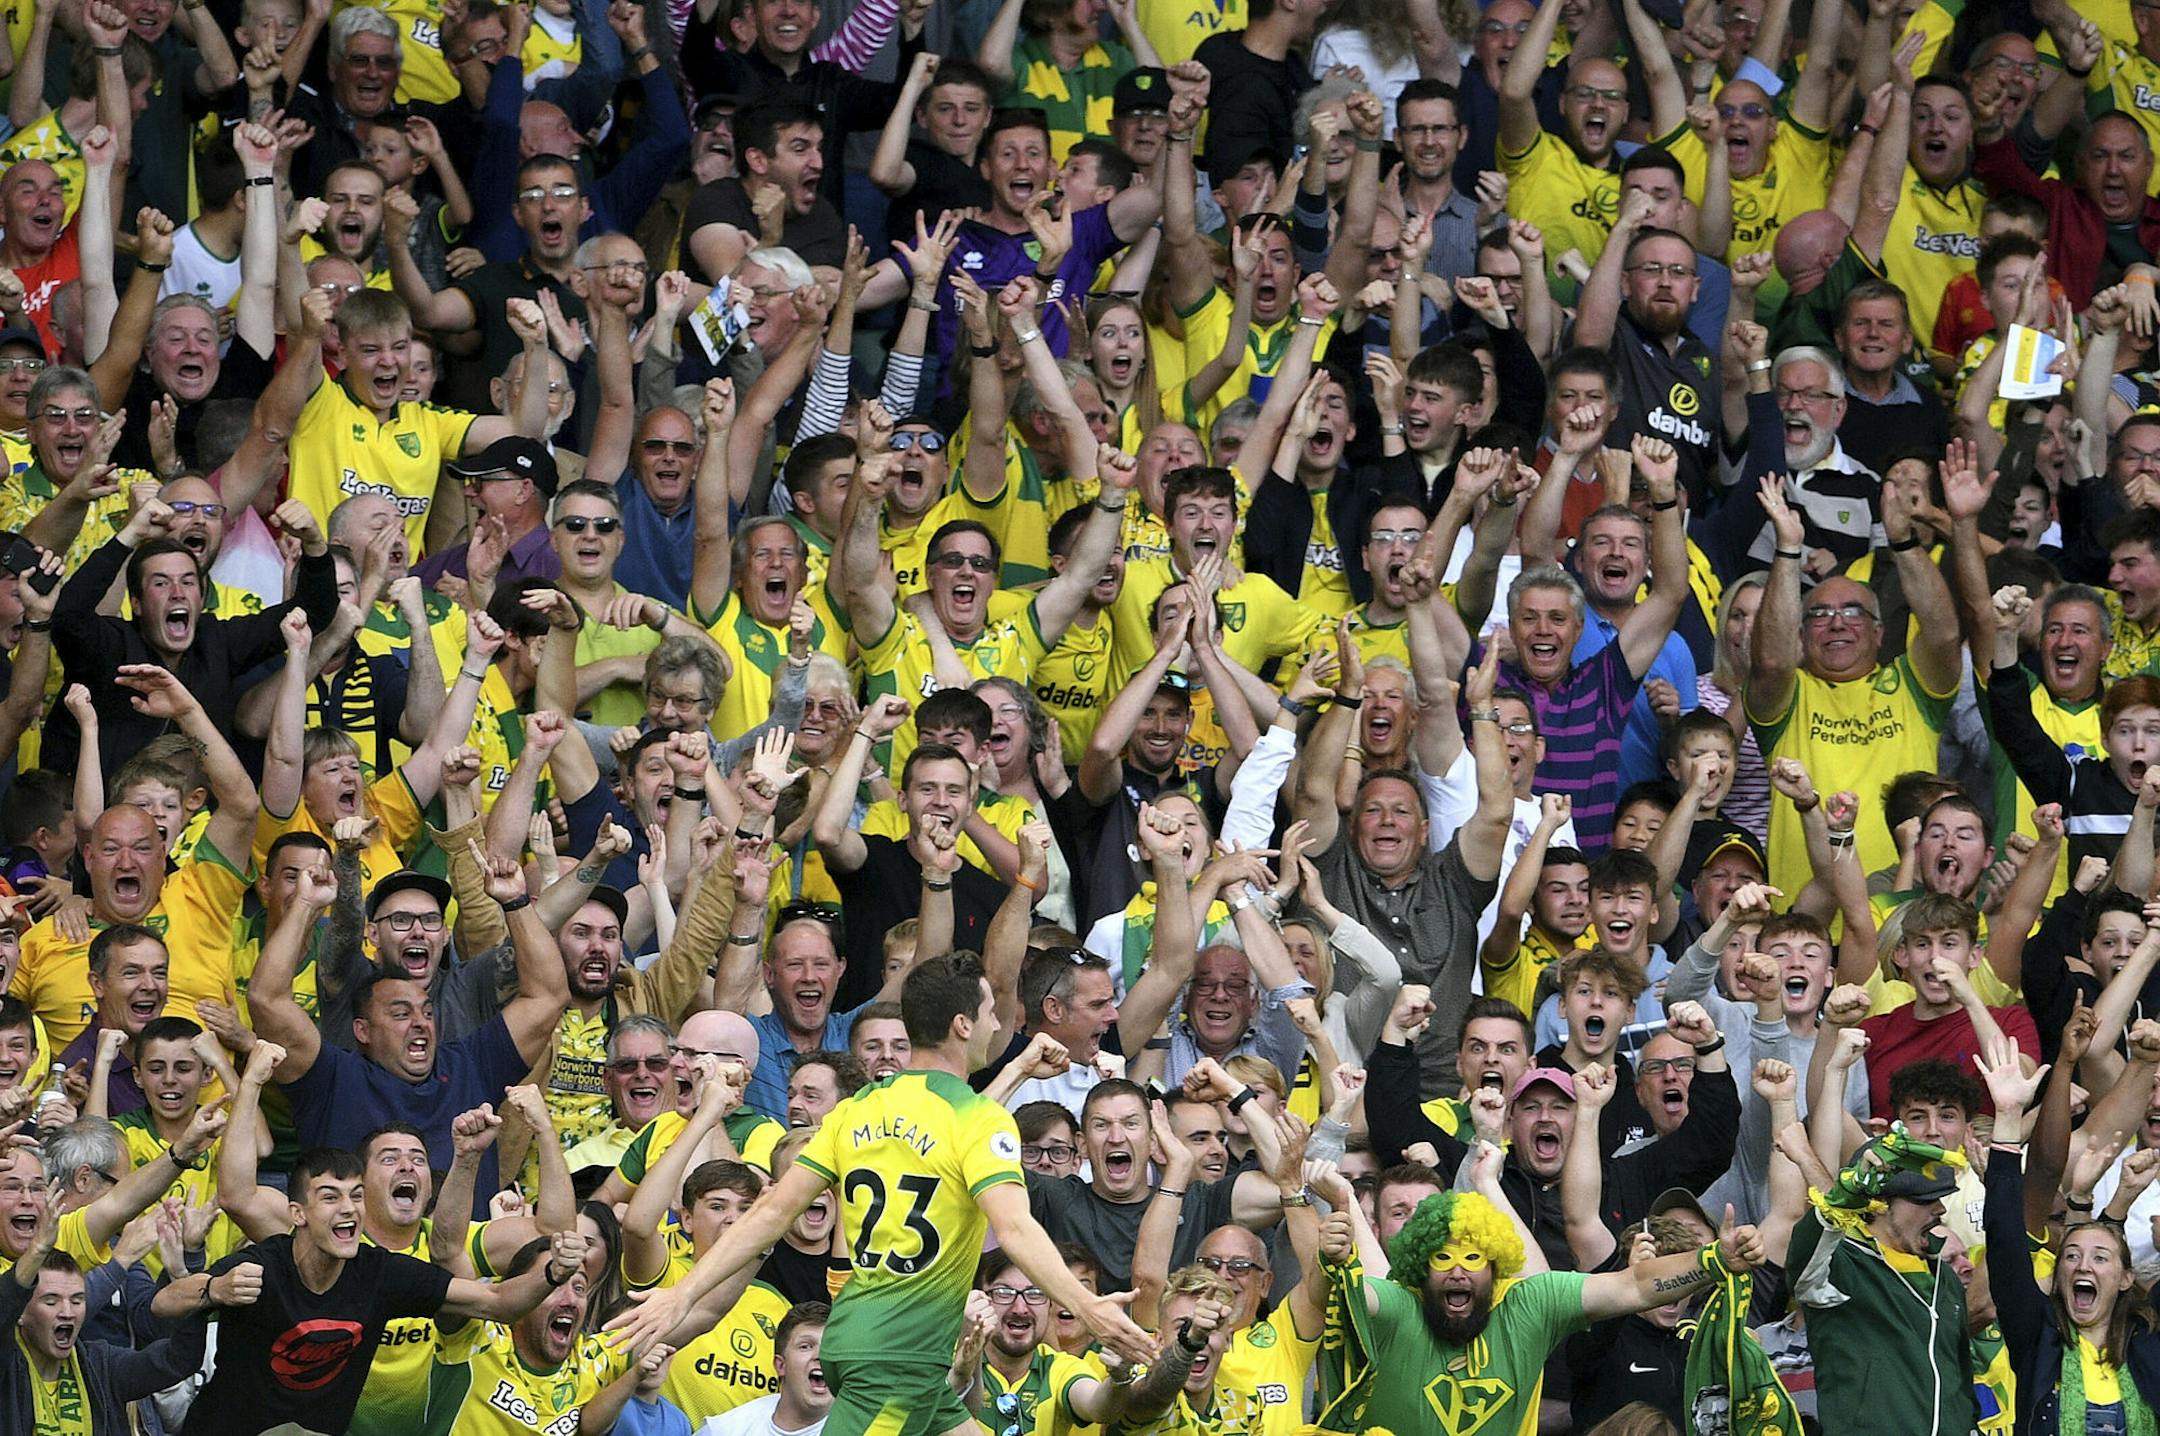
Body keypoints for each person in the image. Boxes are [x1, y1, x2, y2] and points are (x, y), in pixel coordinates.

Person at [605, 954, 1156, 1408]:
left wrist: (682, 1292)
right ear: (963, 1025)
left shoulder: (859, 1108)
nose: (998, 1024)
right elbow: (1013, 1227)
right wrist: (1088, 1309)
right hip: (897, 1355)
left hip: (884, 1343)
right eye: (990, 1012)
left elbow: (772, 1214)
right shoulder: (977, 1118)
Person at [159, 1144, 593, 1436]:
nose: (348, 1208)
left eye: (356, 1196)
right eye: (330, 1197)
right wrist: (216, 1289)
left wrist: (553, 1272)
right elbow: (163, 1304)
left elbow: (497, 1303)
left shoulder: (380, 1274)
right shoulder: (264, 1265)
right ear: (298, 1214)